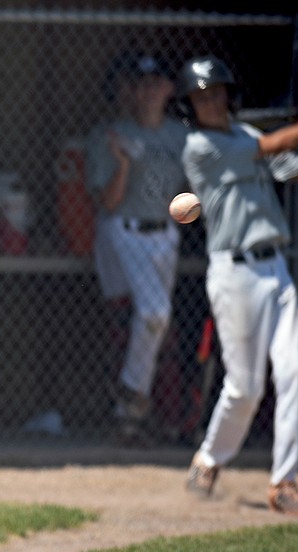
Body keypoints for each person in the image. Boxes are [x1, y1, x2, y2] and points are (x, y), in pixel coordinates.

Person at [179, 56, 298, 514]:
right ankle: (209, 459)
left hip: (278, 268)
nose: (209, 102)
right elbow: (272, 145)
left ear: (229, 94)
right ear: (190, 105)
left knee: (292, 372)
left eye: (215, 92)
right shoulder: (199, 147)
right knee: (246, 387)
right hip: (235, 273)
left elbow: (282, 162)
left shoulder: (245, 137)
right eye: (200, 96)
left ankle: (284, 481)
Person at [86, 53, 188, 445]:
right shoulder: (110, 135)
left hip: (165, 234)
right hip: (123, 231)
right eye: (141, 85)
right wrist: (124, 166)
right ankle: (133, 394)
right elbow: (106, 204)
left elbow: (195, 192)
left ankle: (131, 412)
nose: (148, 93)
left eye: (156, 85)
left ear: (168, 90)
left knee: (155, 324)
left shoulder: (179, 137)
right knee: (154, 313)